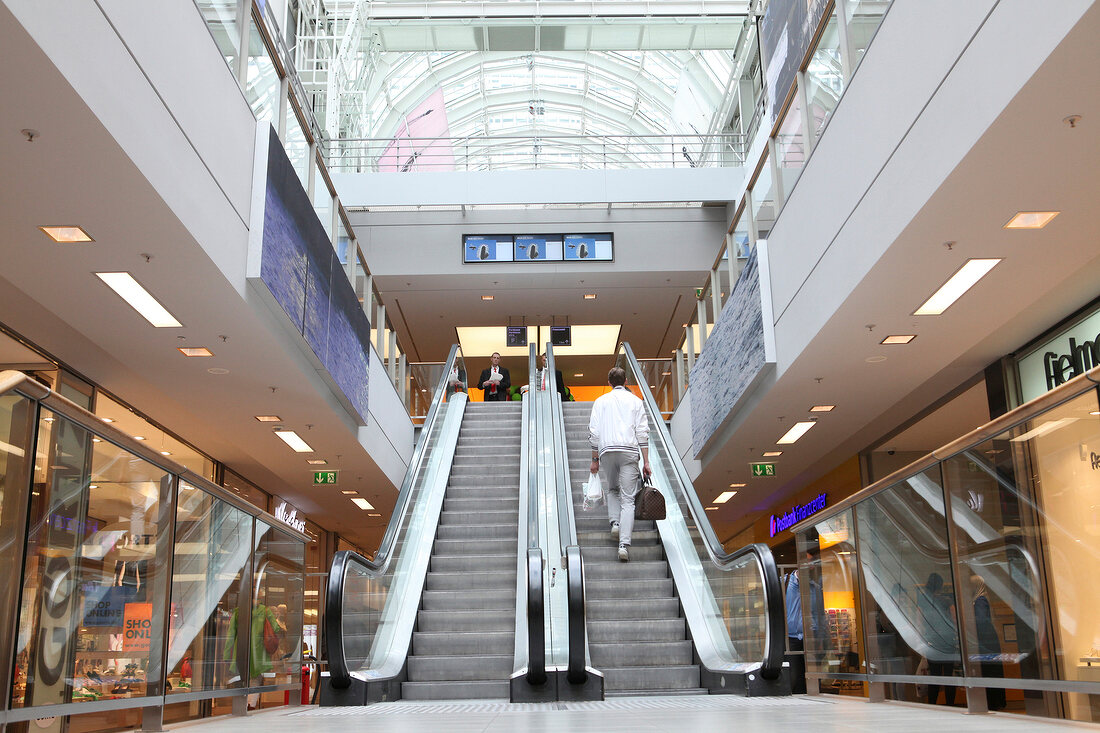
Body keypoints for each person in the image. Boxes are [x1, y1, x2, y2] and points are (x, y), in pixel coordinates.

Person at [588, 366, 649, 562]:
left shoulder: (600, 401)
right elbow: (642, 432)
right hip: (629, 452)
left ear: (609, 383)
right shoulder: (636, 401)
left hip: (607, 451)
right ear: (625, 382)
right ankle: (623, 545)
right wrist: (646, 461)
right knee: (628, 499)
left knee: (613, 489)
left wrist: (594, 459)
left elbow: (594, 432)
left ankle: (615, 523)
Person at [785, 533, 825, 694]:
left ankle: (816, 697)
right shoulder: (785, 583)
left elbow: (819, 614)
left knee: (814, 673)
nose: (812, 567)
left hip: (811, 636)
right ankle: (799, 698)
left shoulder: (815, 588)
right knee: (795, 675)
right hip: (792, 638)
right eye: (809, 563)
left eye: (813, 564)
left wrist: (821, 636)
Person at [971, 574, 1006, 710]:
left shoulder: (980, 601)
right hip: (989, 641)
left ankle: (993, 703)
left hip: (986, 642)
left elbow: (981, 622)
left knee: (989, 671)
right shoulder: (982, 599)